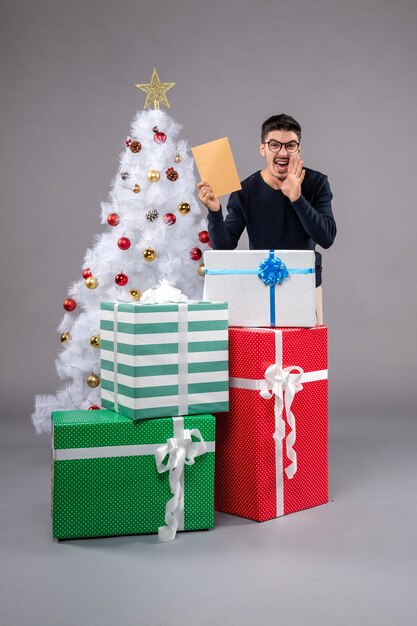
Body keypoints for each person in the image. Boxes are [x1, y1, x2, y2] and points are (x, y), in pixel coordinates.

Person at [197, 114, 336, 324]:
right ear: (263, 148)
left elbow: (326, 238)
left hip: (306, 286)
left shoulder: (317, 183)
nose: (282, 152)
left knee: (304, 355)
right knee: (263, 354)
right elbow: (224, 246)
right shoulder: (244, 191)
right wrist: (215, 212)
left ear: (298, 150)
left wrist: (297, 199)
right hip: (260, 287)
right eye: (274, 145)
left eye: (290, 145)